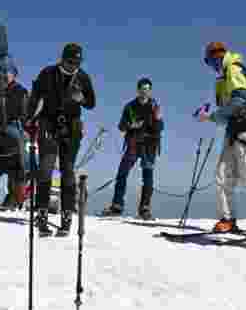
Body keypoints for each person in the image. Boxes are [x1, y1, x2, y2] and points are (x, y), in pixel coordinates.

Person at [197, 42, 246, 236]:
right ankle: (227, 219)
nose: (212, 64)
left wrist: (213, 116)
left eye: (213, 59)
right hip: (234, 131)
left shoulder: (233, 70)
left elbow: (241, 99)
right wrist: (214, 115)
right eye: (209, 61)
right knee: (223, 175)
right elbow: (230, 107)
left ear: (220, 56)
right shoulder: (224, 77)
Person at [25, 43, 96, 237]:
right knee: (46, 168)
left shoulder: (82, 77)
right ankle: (42, 216)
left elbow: (91, 103)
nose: (74, 65)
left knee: (68, 170)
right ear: (62, 59)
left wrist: (81, 98)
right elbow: (35, 97)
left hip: (71, 127)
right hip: (48, 123)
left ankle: (66, 218)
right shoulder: (47, 73)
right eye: (71, 61)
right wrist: (29, 119)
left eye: (77, 62)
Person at [103, 77, 164, 219]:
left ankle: (145, 208)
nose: (145, 92)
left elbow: (160, 128)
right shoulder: (129, 106)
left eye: (147, 89)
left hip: (149, 145)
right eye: (142, 89)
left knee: (147, 177)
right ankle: (117, 206)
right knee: (122, 174)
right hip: (133, 144)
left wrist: (158, 119)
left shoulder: (155, 106)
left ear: (150, 91)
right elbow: (121, 126)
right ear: (138, 90)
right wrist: (131, 125)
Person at [0, 58, 31, 211]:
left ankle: (17, 199)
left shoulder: (20, 91)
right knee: (7, 164)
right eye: (1, 73)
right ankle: (13, 197)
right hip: (2, 132)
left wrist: (27, 129)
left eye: (7, 73)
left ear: (13, 74)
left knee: (18, 165)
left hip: (17, 131)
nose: (4, 76)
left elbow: (24, 112)